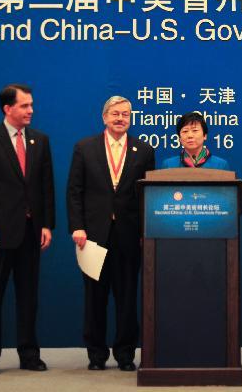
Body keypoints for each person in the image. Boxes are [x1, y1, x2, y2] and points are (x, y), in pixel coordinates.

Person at [0, 84, 55, 375]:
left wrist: (47, 224)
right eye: (25, 106)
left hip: (31, 232)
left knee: (29, 297)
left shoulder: (40, 141)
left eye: (31, 105)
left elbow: (46, 186)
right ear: (8, 109)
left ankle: (29, 354)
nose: (31, 110)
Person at [66, 95, 156, 371]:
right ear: (104, 117)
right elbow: (75, 191)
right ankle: (96, 354)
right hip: (93, 235)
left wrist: (146, 231)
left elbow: (146, 196)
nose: (120, 118)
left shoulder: (144, 150)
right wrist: (77, 227)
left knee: (128, 297)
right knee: (95, 297)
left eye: (125, 114)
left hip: (129, 236)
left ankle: (126, 354)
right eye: (115, 113)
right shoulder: (85, 148)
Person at [160, 111, 230, 169]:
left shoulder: (221, 165)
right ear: (180, 139)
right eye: (185, 131)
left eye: (195, 130)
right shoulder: (168, 165)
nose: (190, 136)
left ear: (205, 136)